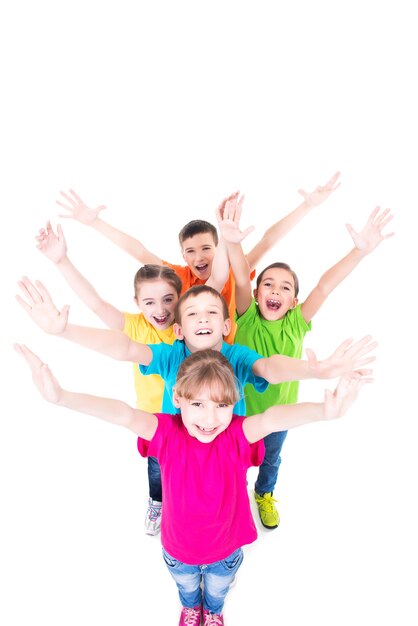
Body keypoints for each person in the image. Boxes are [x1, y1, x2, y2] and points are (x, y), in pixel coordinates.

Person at [14, 344, 373, 626]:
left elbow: (273, 417)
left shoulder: (237, 434)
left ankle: (213, 611)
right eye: (198, 404)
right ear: (178, 400)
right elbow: (122, 413)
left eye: (221, 405)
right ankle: (191, 609)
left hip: (226, 552)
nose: (209, 417)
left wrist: (325, 411)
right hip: (178, 552)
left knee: (217, 590)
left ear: (234, 405)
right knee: (187, 590)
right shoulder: (166, 433)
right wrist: (60, 396)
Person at [216, 195, 394, 529]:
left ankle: (264, 493)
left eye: (284, 288)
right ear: (256, 295)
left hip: (280, 414)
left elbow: (325, 286)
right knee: (235, 461)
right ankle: (236, 493)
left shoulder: (298, 322)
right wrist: (232, 241)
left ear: (294, 301)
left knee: (271, 460)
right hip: (239, 414)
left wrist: (359, 251)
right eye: (267, 284)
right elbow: (241, 277)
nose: (275, 290)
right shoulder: (246, 316)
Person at [55, 172, 340, 341]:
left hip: (231, 356)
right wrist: (94, 223)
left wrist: (307, 206)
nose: (199, 256)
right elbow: (139, 252)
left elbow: (268, 241)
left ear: (218, 249)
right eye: (190, 251)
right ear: (183, 255)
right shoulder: (178, 278)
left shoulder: (230, 271)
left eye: (206, 248)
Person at [34, 221, 185, 535]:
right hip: (152, 417)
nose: (160, 309)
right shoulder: (133, 327)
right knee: (157, 466)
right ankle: (157, 501)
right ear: (137, 304)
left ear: (181, 299)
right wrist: (62, 261)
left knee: (188, 467)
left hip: (192, 415)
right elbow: (96, 303)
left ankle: (184, 505)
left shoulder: (191, 325)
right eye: (150, 302)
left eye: (168, 299)